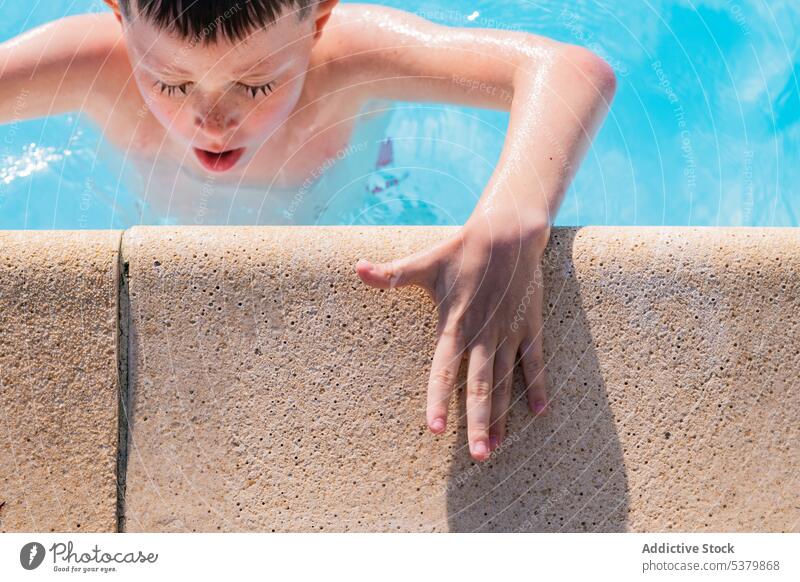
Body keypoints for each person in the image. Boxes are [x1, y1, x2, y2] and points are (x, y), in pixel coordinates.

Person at [0, 0, 616, 461]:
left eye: (257, 84)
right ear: (117, 11)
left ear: (318, 15)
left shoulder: (354, 57)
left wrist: (511, 219)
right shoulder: (89, 60)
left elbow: (571, 71)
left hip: (350, 214)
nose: (212, 120)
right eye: (170, 83)